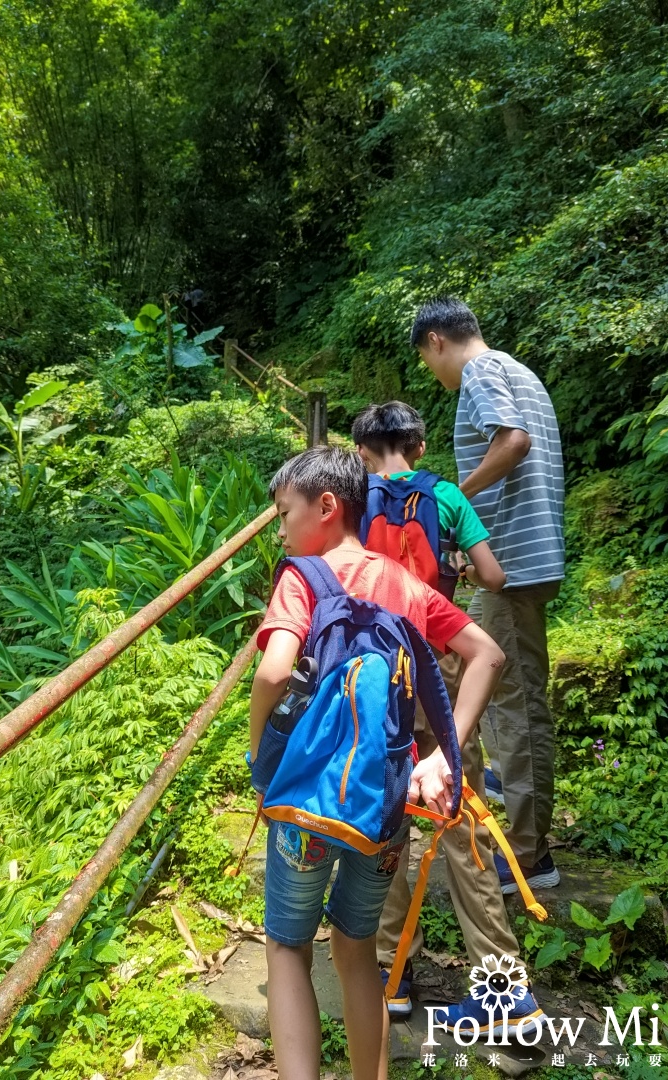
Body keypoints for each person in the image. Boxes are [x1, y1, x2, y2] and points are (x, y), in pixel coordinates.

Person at [250, 446, 515, 1080]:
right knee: (355, 946)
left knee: (287, 947)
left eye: (284, 513)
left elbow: (274, 669)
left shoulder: (303, 577)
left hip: (307, 801)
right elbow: (488, 655)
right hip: (386, 799)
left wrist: (260, 750)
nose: (280, 528)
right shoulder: (405, 585)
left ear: (326, 506)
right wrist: (439, 757)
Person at [352, 401, 530, 1026]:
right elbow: (495, 575)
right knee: (465, 821)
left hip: (374, 671)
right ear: (421, 447)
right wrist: (450, 567)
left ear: (361, 451)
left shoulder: (349, 497)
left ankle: (390, 973)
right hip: (445, 663)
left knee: (383, 820)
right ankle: (502, 988)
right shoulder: (449, 495)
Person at [410, 295, 565, 896]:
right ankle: (492, 776)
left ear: (437, 343)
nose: (435, 374)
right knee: (469, 675)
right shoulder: (517, 369)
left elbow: (513, 442)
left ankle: (530, 855)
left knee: (517, 707)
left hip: (517, 569)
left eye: (428, 361)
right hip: (516, 561)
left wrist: (452, 497)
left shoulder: (480, 372)